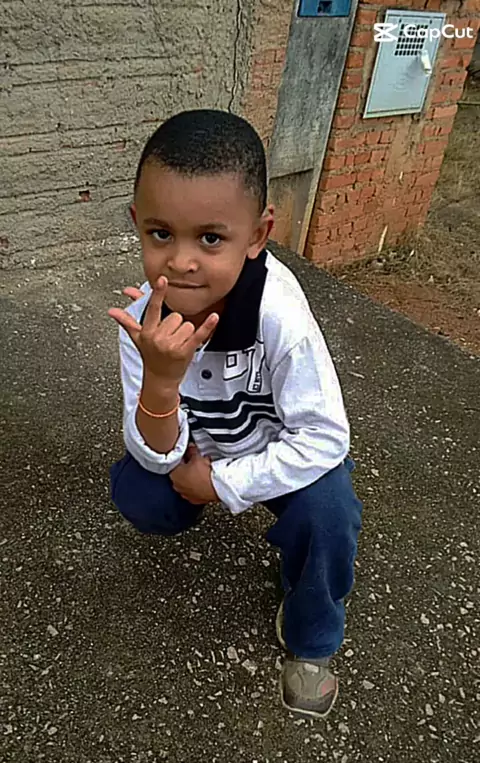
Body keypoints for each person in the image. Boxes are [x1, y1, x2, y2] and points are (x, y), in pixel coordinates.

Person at [108, 109, 363, 719]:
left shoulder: (280, 315)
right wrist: (161, 382)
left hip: (278, 451)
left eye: (211, 239)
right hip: (196, 451)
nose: (181, 261)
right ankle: (198, 496)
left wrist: (222, 484)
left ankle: (311, 636)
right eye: (161, 234)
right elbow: (151, 451)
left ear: (257, 234)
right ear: (137, 223)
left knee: (329, 515)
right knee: (139, 492)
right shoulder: (142, 322)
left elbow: (325, 436)